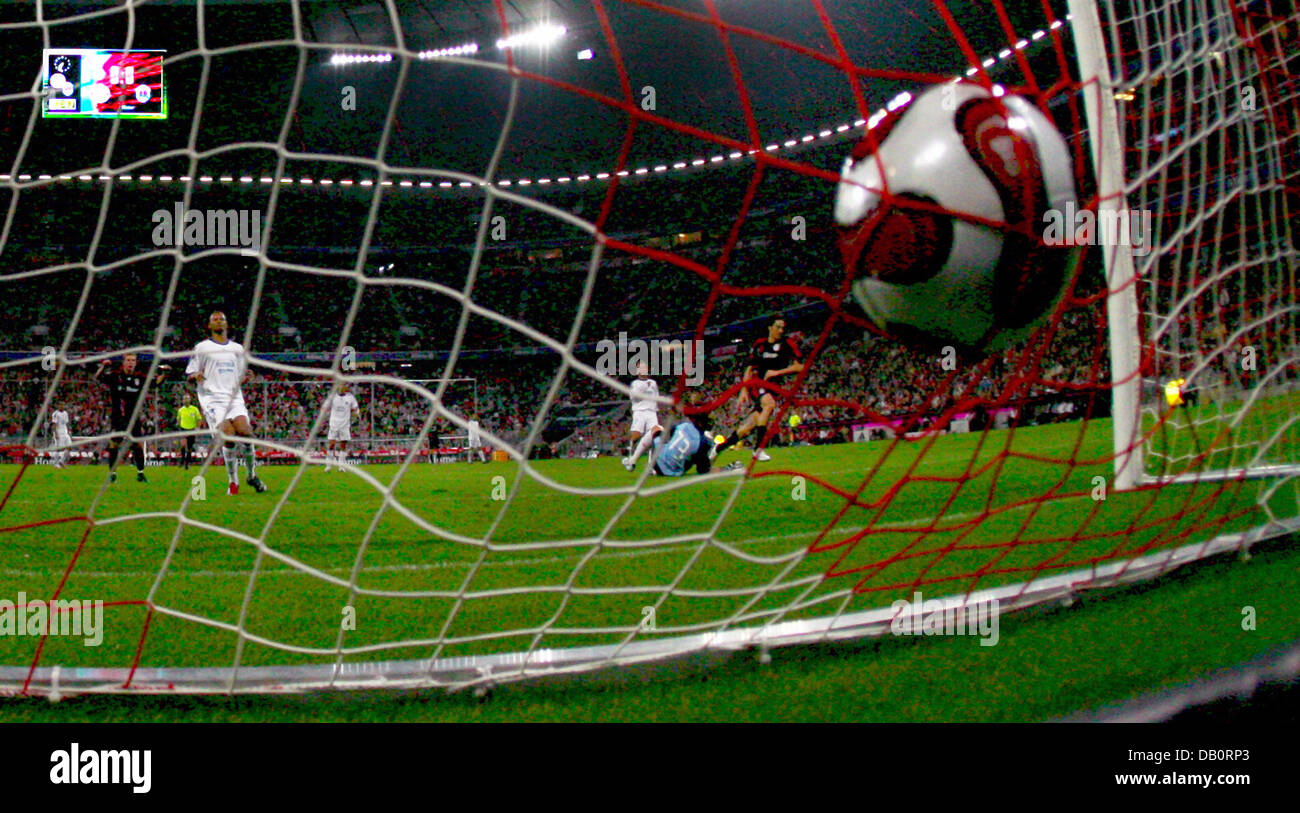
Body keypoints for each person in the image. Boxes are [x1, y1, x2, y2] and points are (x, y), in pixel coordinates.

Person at [186, 311, 267, 495]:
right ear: (209, 326)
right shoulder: (202, 348)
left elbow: (240, 374)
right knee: (229, 437)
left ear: (226, 324)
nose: (218, 321)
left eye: (221, 319)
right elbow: (189, 374)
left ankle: (252, 475)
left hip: (234, 397)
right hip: (213, 399)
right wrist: (195, 375)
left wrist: (247, 377)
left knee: (246, 433)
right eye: (214, 319)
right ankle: (233, 481)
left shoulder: (237, 349)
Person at [713, 318, 804, 462]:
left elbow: (800, 366)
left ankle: (717, 449)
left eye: (783, 328)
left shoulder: (787, 344)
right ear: (770, 327)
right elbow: (749, 369)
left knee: (746, 429)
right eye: (778, 327)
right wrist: (743, 391)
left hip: (774, 388)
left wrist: (776, 372)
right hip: (758, 384)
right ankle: (758, 449)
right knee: (769, 405)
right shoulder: (760, 345)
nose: (781, 330)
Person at [94, 353, 169, 483]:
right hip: (118, 416)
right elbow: (98, 377)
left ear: (135, 363)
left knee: (137, 445)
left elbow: (155, 383)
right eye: (128, 360)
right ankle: (112, 474)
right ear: (123, 362)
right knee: (114, 444)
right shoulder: (115, 375)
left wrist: (165, 373)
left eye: (133, 360)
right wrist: (102, 366)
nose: (130, 362)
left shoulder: (140, 377)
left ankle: (140, 473)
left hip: (133, 417)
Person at [622, 363, 662, 472]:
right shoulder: (635, 383)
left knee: (654, 436)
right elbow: (634, 397)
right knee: (636, 435)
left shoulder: (653, 383)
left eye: (645, 368)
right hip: (639, 411)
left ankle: (651, 465)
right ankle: (630, 457)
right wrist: (645, 387)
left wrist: (656, 407)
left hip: (651, 412)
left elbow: (656, 396)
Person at [322, 382, 360, 471]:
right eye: (340, 385)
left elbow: (355, 408)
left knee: (343, 445)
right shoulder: (333, 397)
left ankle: (341, 466)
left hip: (345, 424)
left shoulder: (350, 398)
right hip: (334, 424)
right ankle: (328, 465)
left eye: (344, 385)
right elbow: (325, 406)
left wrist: (355, 414)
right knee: (331, 444)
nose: (342, 387)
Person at [176, 393, 202, 469]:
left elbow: (199, 419)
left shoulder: (194, 409)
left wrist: (198, 427)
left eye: (187, 398)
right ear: (183, 400)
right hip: (183, 429)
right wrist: (178, 424)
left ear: (190, 400)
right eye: (184, 399)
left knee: (189, 448)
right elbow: (178, 419)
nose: (186, 400)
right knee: (183, 445)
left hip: (192, 429)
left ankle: (187, 463)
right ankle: (182, 460)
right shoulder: (181, 410)